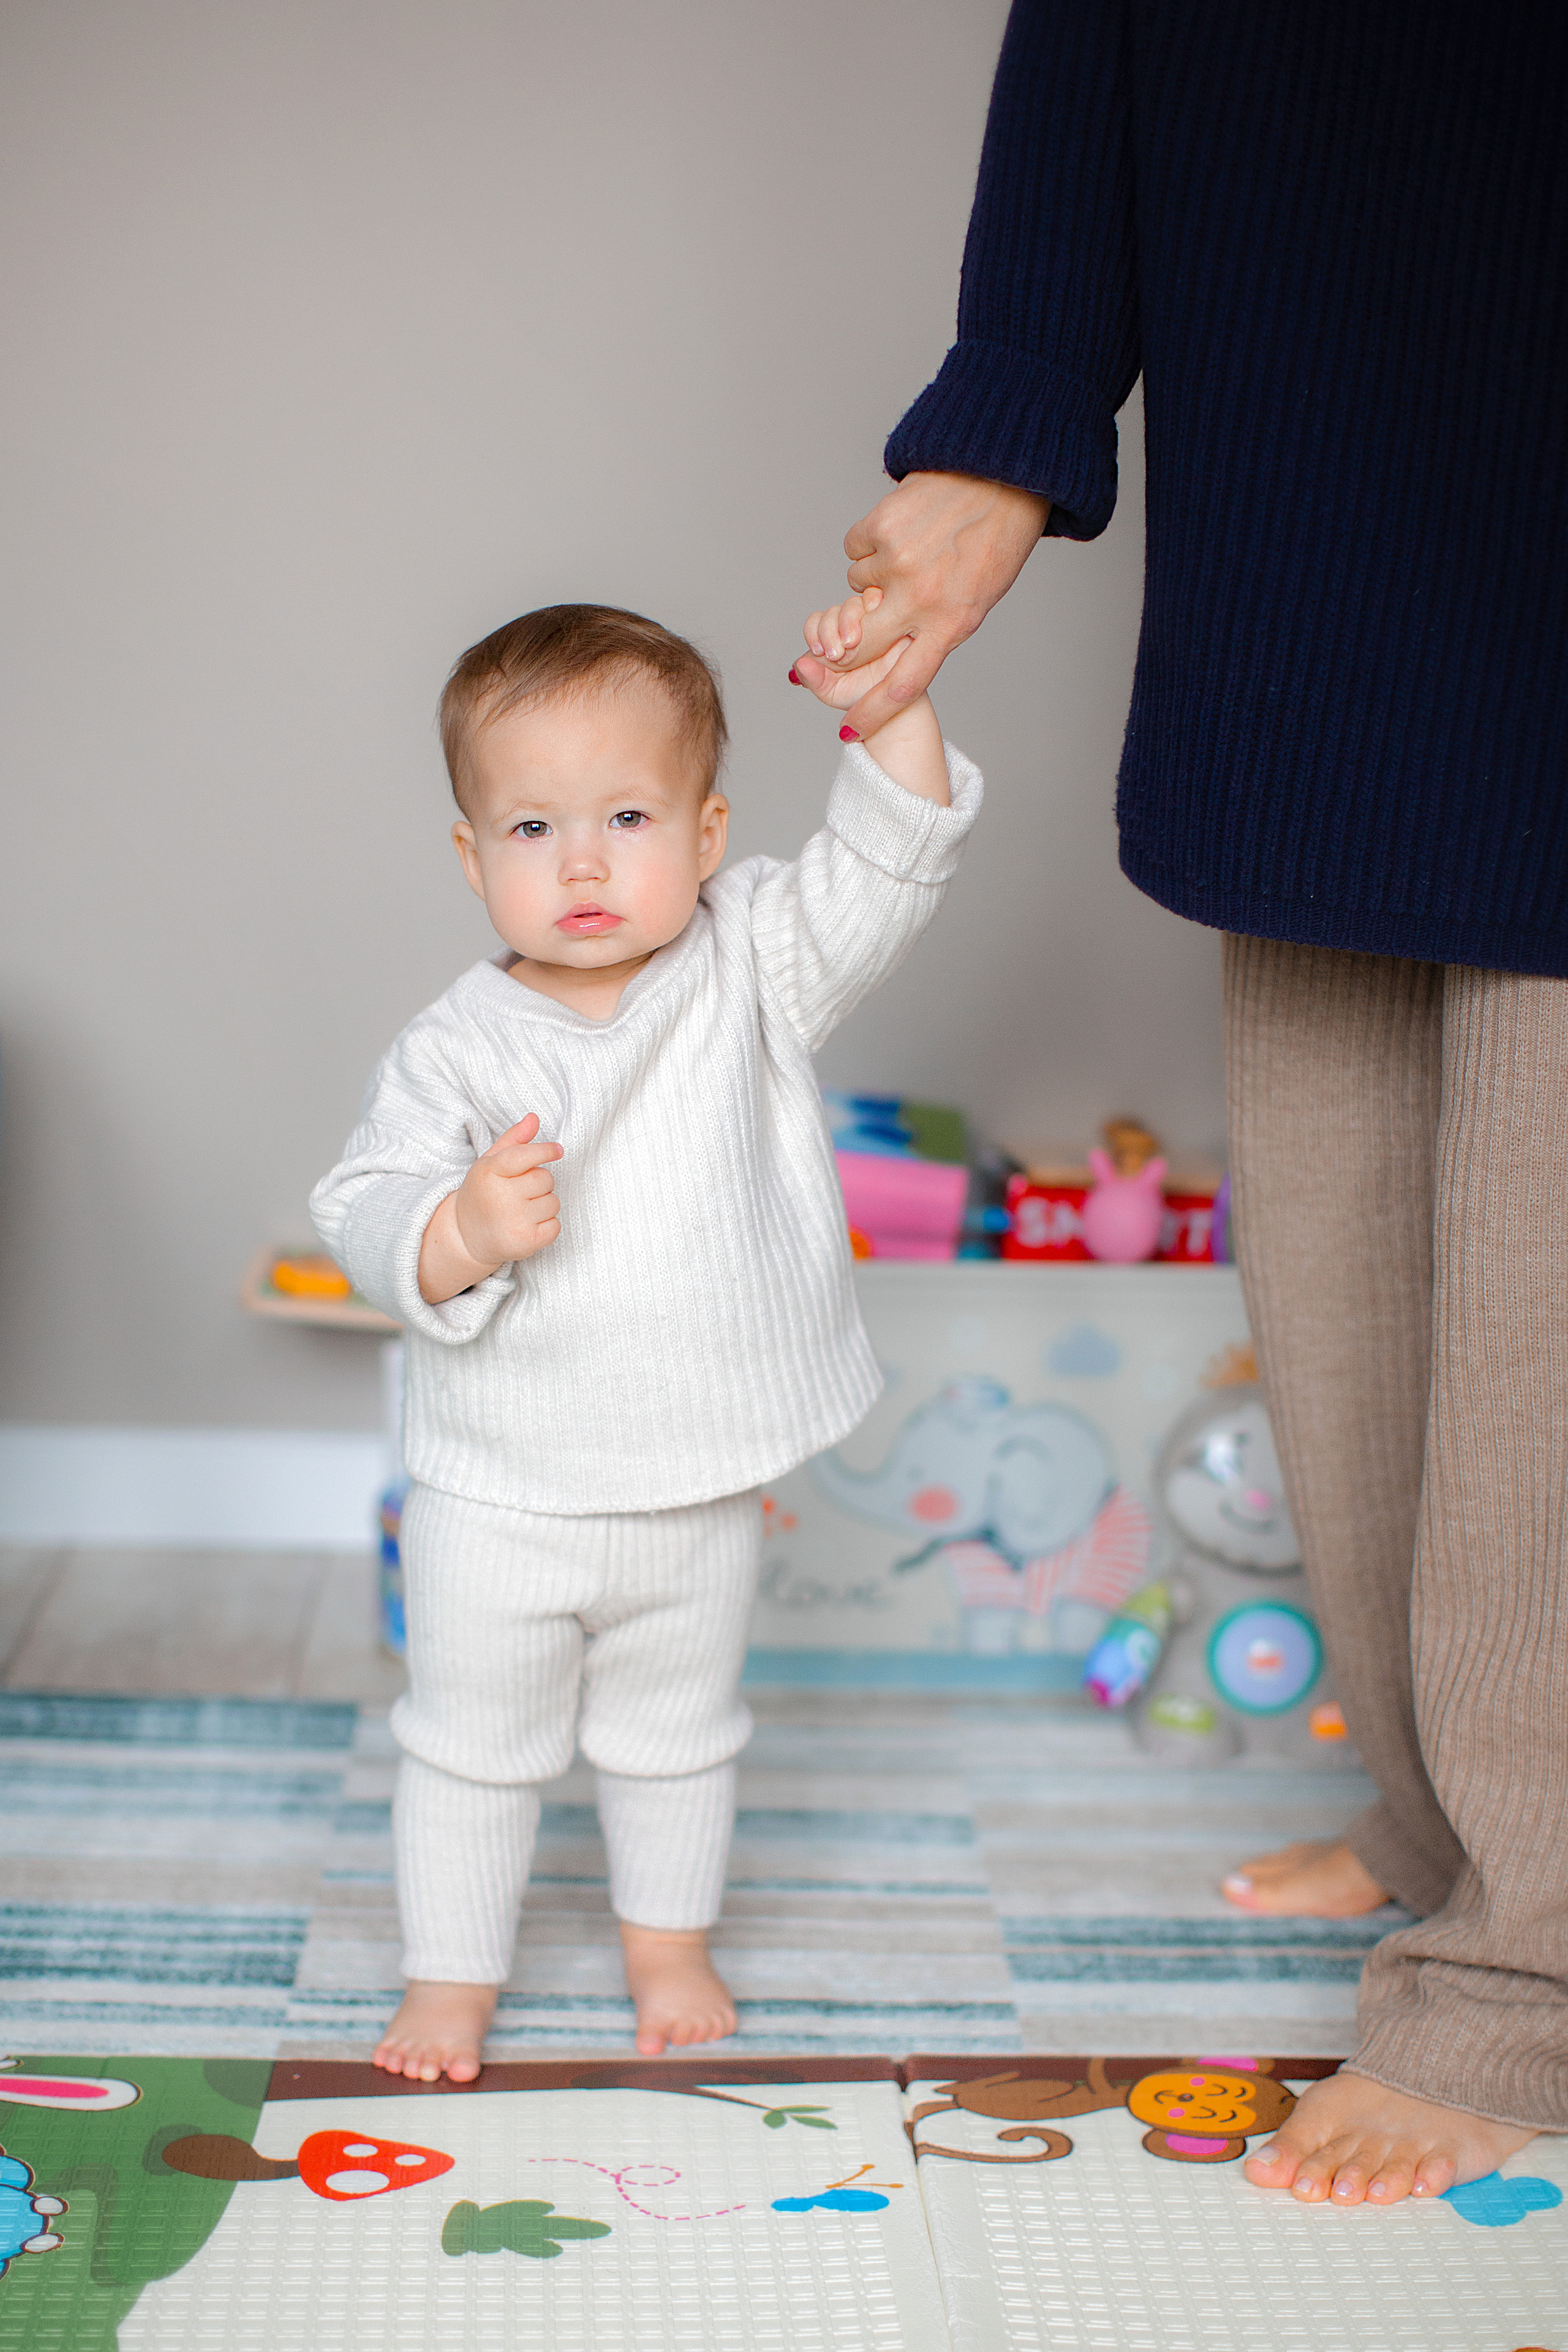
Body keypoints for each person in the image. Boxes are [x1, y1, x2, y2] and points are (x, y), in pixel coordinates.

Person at [794, 0, 1567, 2211]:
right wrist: (1004, 420)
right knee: (1342, 1216)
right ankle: (1452, 1817)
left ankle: (1539, 1972)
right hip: (1314, 382)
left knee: (1547, 1265)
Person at [311, 600, 979, 2081]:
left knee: (679, 1736)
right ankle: (451, 1973)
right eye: (534, 828)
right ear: (474, 857)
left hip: (694, 1485)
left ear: (706, 828)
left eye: (626, 815)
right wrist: (461, 1227)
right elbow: (362, 1206)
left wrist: (894, 707)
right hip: (500, 1490)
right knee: (470, 1746)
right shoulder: (456, 1047)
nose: (587, 863)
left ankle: (665, 1944)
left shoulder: (749, 969)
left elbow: (890, 860)